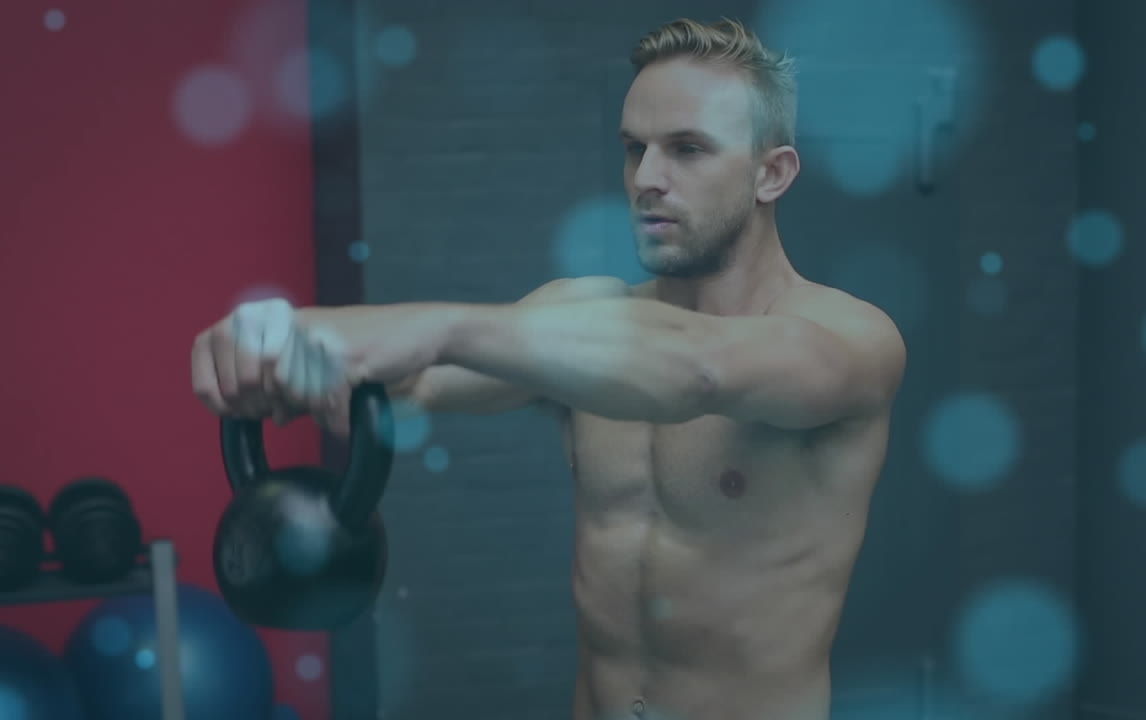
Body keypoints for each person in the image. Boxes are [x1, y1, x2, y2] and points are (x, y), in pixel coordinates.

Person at [191, 16, 906, 720]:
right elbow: (414, 381)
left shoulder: (848, 339)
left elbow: (701, 370)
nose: (647, 179)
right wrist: (280, 354)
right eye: (635, 149)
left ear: (771, 173)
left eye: (688, 149)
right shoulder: (573, 319)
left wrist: (435, 325)